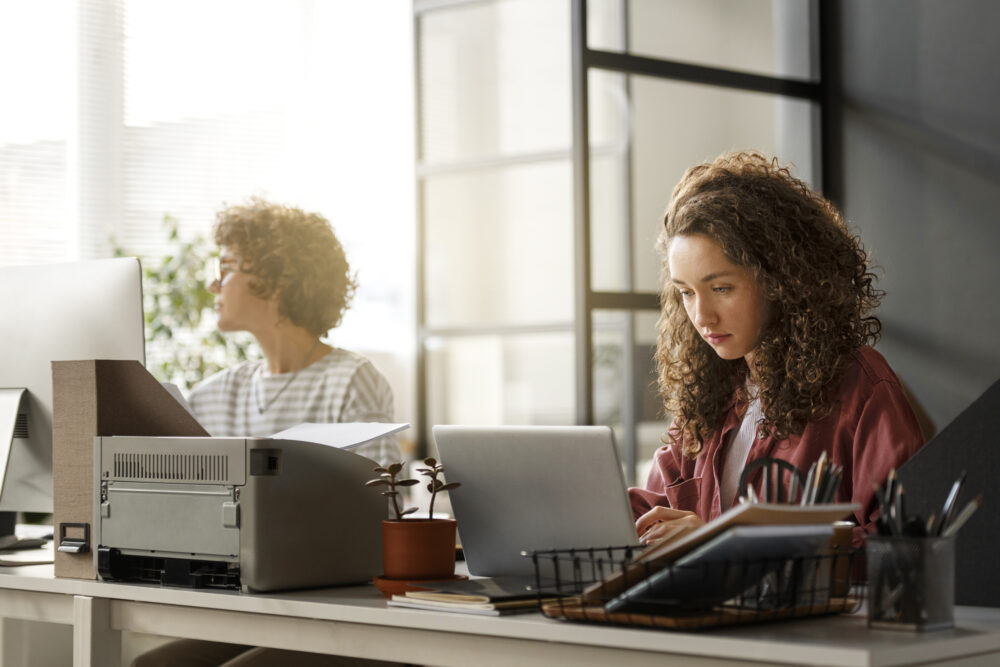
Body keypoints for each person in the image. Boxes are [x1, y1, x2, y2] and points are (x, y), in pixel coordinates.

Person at [134, 198, 400, 667]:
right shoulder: (214, 393)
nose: (214, 283)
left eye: (228, 267)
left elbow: (385, 507)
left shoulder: (350, 379)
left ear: (278, 280)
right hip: (245, 601)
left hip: (333, 608)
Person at [630, 151, 925, 549]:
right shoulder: (711, 393)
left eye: (721, 289)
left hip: (818, 613)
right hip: (711, 610)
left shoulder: (861, 390)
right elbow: (660, 508)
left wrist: (730, 540)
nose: (702, 316)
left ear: (779, 279)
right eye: (686, 292)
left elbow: (900, 539)